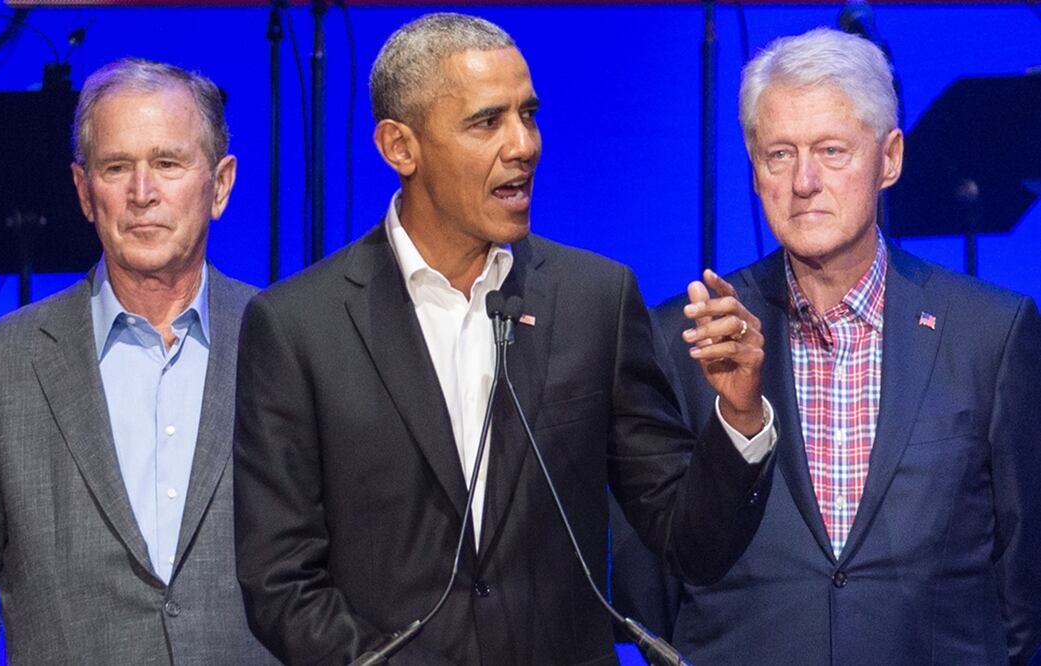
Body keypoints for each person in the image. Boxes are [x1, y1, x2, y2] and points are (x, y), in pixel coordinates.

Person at [233, 12, 778, 665]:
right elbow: (280, 584)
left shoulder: (592, 300)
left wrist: (739, 415)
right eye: (486, 122)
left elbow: (691, 543)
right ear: (398, 147)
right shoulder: (299, 326)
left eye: (529, 114)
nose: (523, 145)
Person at [612, 27, 1041, 665]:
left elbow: (1022, 584)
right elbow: (652, 588)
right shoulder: (684, 339)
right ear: (755, 170)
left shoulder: (991, 332)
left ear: (889, 158)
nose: (804, 181)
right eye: (779, 154)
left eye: (832, 150)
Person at [0, 58, 276, 664]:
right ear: (84, 191)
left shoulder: (287, 342)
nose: (142, 193)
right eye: (116, 167)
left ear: (222, 184)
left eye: (167, 163)